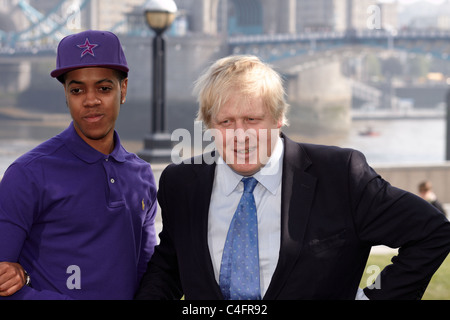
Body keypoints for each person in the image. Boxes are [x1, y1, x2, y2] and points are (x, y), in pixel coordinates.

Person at [135, 55, 450, 300]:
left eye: (252, 119)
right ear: (208, 124)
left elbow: (432, 232)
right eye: (226, 121)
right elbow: (171, 266)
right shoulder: (182, 182)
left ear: (279, 118)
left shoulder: (341, 174)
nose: (240, 135)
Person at [0, 30, 158, 299]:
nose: (91, 100)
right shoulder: (27, 175)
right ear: (65, 94)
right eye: (77, 90)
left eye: (104, 88)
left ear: (123, 89)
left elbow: (148, 275)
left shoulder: (141, 175)